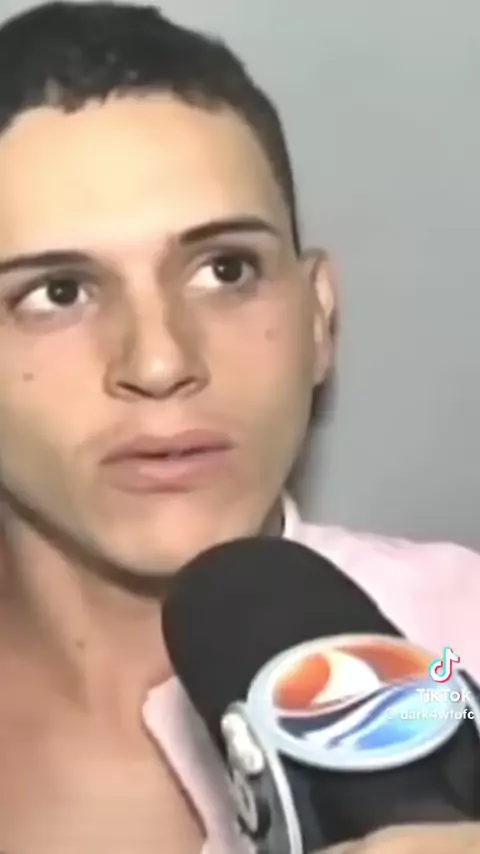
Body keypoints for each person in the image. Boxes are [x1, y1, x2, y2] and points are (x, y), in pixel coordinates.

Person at [0, 2, 478, 852]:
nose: (160, 363)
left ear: (319, 317)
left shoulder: (461, 644)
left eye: (225, 269)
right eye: (57, 293)